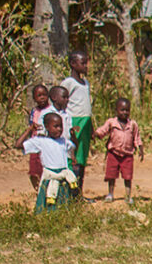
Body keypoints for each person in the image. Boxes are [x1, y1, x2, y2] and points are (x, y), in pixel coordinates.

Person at [16, 111, 75, 210]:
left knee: (62, 206)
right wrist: (29, 130)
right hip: (50, 178)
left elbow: (73, 148)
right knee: (47, 205)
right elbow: (18, 145)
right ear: (47, 127)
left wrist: (73, 136)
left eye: (61, 126)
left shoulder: (64, 141)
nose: (59, 129)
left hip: (62, 178)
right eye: (55, 126)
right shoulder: (41, 141)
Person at [94, 98, 143, 202]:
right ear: (116, 110)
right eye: (122, 110)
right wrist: (96, 134)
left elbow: (137, 137)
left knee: (128, 176)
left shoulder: (132, 124)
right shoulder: (112, 122)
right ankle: (110, 194)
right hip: (114, 153)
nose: (125, 113)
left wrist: (140, 149)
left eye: (127, 110)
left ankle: (128, 196)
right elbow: (103, 130)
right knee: (111, 175)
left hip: (127, 155)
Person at [59, 50, 94, 196]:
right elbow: (59, 99)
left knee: (82, 158)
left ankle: (79, 193)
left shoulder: (85, 83)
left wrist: (91, 127)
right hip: (74, 122)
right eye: (83, 63)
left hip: (85, 122)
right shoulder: (68, 82)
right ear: (73, 64)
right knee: (72, 156)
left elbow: (87, 107)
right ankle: (70, 192)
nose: (86, 66)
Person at [25, 84, 51, 190]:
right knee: (34, 170)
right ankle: (38, 190)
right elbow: (31, 126)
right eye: (39, 95)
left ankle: (47, 190)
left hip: (47, 145)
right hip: (36, 144)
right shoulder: (34, 111)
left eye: (44, 94)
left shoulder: (51, 110)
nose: (42, 97)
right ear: (34, 98)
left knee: (47, 169)